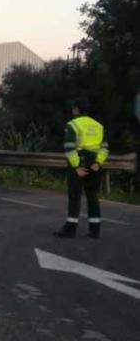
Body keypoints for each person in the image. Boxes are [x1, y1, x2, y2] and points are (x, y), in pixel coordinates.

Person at [55, 99, 108, 239]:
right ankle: (95, 230)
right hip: (95, 163)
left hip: (79, 161)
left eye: (73, 109)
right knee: (93, 196)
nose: (72, 111)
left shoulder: (73, 124)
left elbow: (69, 147)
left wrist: (77, 167)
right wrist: (98, 163)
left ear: (77, 109)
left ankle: (70, 229)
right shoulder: (98, 126)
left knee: (75, 196)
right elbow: (105, 149)